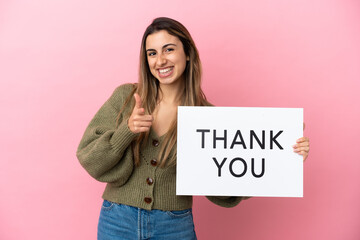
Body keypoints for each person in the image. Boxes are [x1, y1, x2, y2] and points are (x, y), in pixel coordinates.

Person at [76, 17, 310, 240]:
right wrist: (126, 130)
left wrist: (283, 159)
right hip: (117, 219)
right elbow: (90, 159)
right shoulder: (126, 97)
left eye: (169, 49)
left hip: (174, 225)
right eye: (152, 53)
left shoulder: (207, 118)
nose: (160, 61)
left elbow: (227, 186)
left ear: (187, 54)